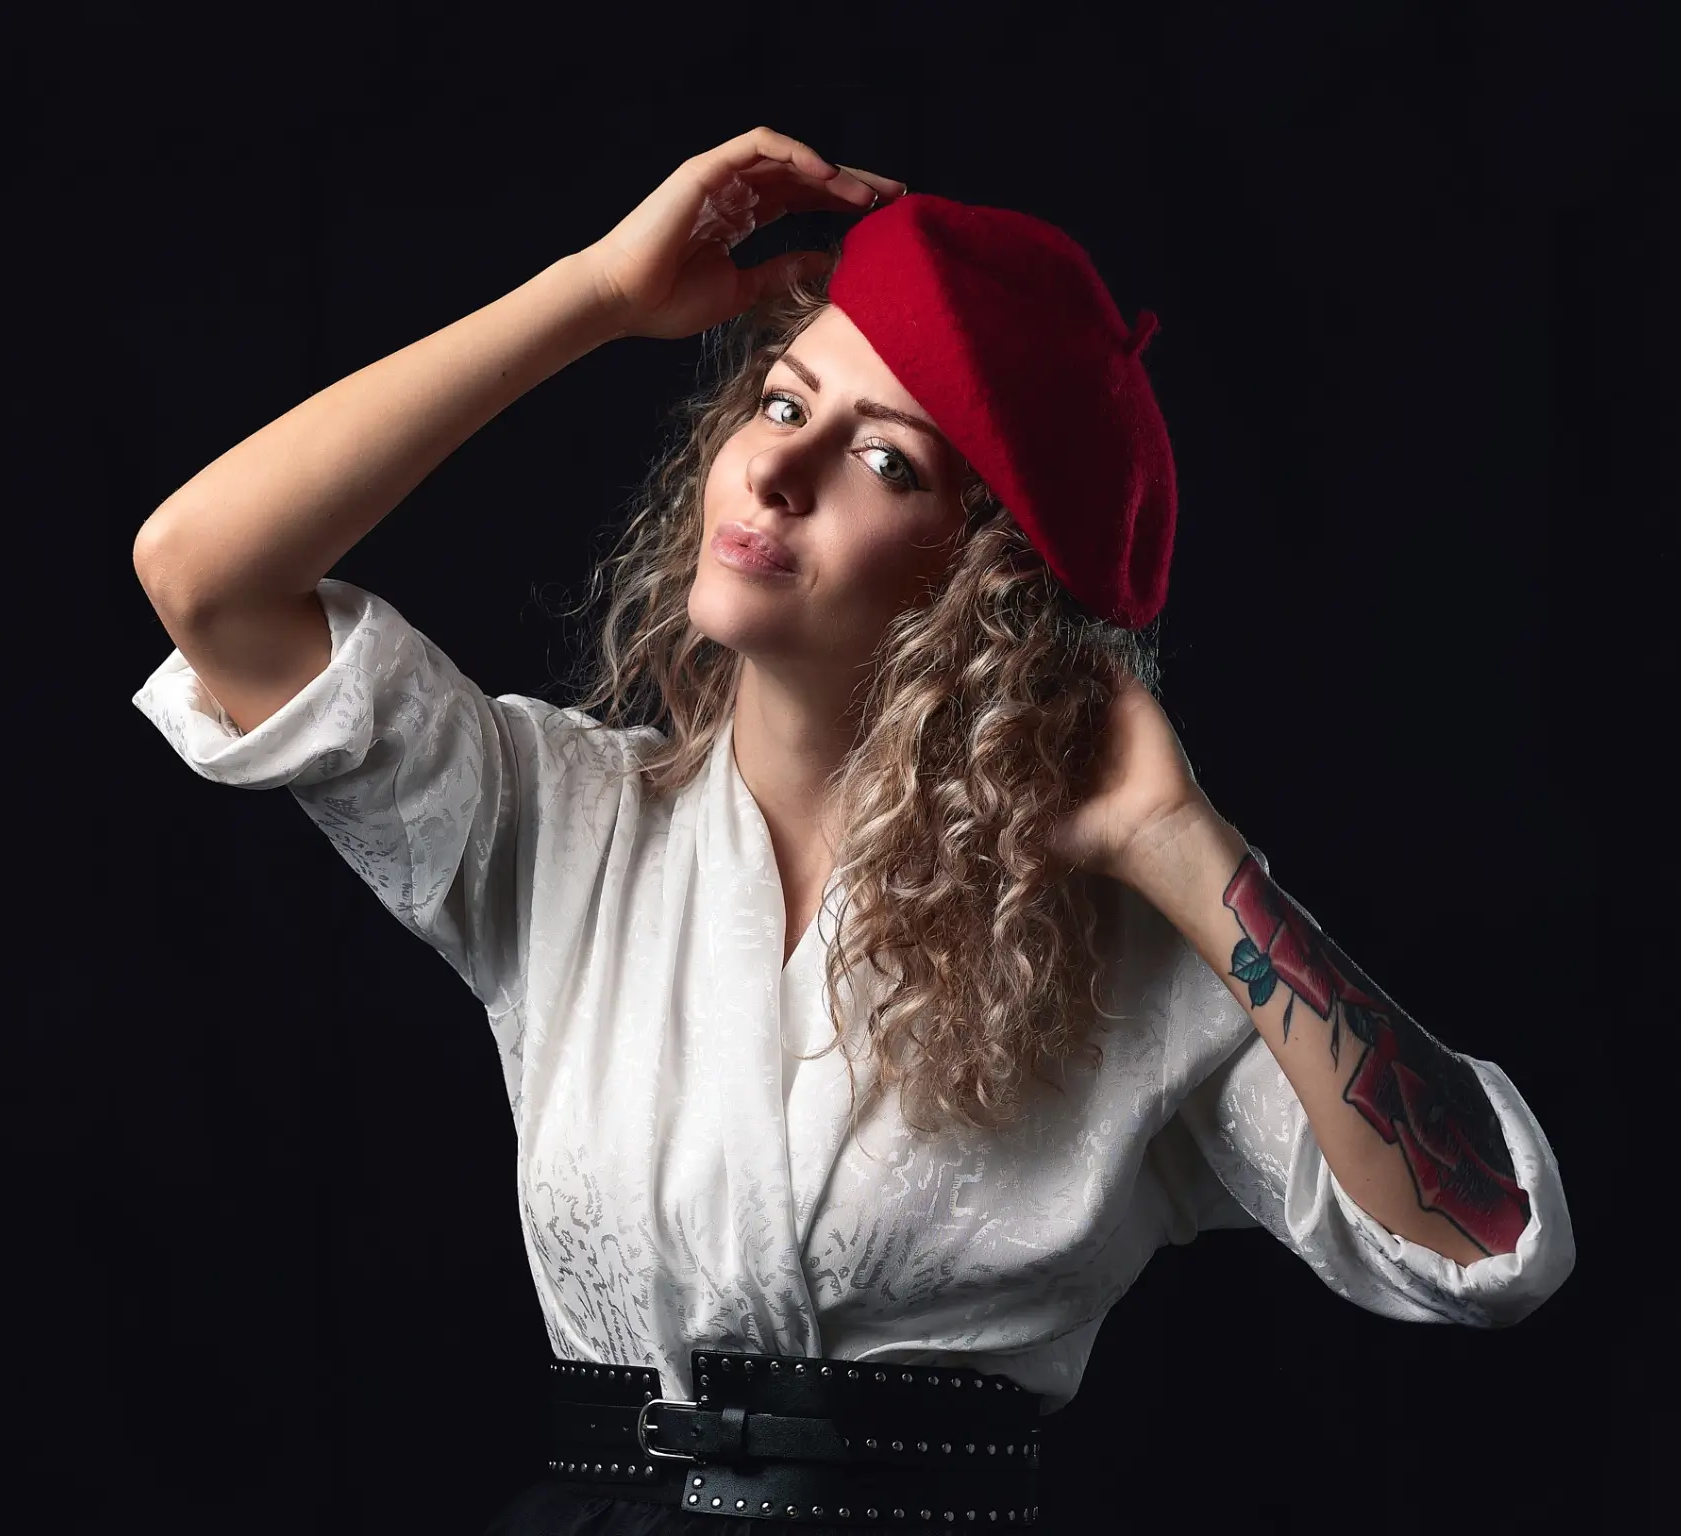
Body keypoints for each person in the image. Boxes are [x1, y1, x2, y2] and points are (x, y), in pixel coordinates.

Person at [129, 127, 1575, 1533]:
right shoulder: (565, 823)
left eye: (887, 462)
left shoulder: (1131, 944)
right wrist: (598, 296)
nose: (777, 471)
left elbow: (1484, 1238)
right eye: (778, 402)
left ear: (985, 589)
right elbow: (206, 577)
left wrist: (1188, 849)